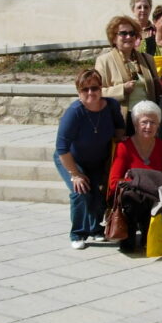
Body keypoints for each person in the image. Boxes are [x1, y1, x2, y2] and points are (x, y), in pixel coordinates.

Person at [54, 69, 125, 249]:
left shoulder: (111, 106)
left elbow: (119, 130)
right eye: (85, 90)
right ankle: (78, 233)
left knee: (101, 192)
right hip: (72, 160)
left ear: (101, 88)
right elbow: (62, 148)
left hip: (99, 159)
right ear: (79, 92)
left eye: (94, 88)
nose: (90, 93)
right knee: (81, 191)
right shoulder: (74, 113)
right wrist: (75, 174)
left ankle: (95, 229)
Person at [108, 100, 162, 252]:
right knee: (134, 198)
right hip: (131, 197)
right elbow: (114, 182)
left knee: (148, 198)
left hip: (155, 196)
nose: (148, 127)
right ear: (136, 124)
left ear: (158, 125)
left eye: (153, 122)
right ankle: (128, 237)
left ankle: (148, 236)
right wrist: (138, 183)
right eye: (144, 122)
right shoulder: (124, 147)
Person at [95, 15, 160, 129]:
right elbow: (98, 92)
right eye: (123, 33)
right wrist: (122, 89)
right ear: (113, 38)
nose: (129, 36)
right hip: (122, 120)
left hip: (147, 120)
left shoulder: (147, 59)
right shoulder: (104, 61)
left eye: (132, 33)